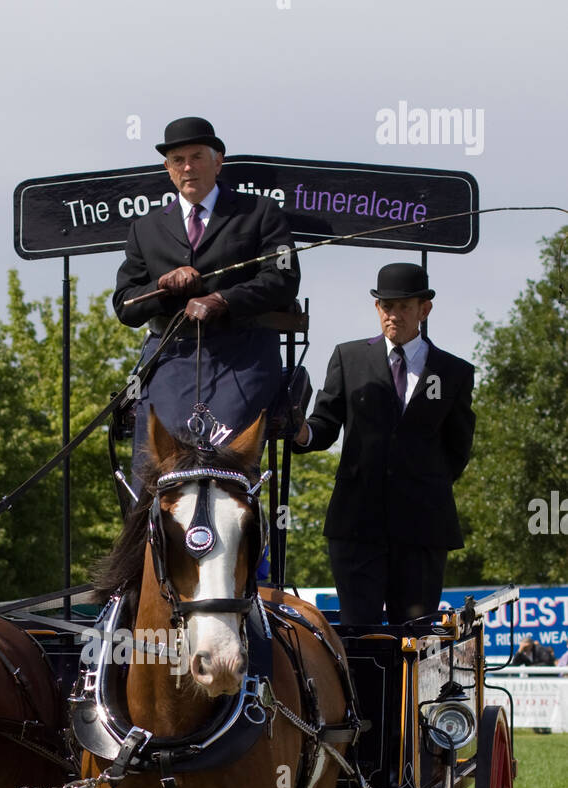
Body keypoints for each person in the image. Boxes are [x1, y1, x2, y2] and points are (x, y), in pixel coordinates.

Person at [113, 117, 300, 486]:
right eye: (177, 160)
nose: (187, 167)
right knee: (160, 469)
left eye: (196, 157)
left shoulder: (259, 213)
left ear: (219, 161)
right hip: (171, 358)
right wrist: (163, 287)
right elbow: (125, 305)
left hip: (242, 356)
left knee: (221, 465)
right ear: (167, 170)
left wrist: (222, 299)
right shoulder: (146, 229)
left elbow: (283, 278)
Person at [292, 263, 476, 625]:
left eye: (404, 306)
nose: (393, 315)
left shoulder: (454, 372)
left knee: (415, 641)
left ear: (425, 309)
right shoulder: (349, 358)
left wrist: (420, 485)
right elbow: (324, 424)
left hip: (422, 530)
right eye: (386, 306)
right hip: (356, 527)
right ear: (377, 309)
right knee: (359, 635)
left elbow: (458, 450)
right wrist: (301, 432)